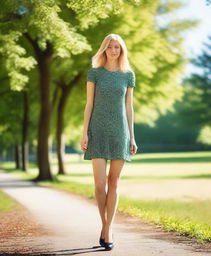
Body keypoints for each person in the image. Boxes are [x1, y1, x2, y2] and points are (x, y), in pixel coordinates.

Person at [80, 33, 138, 251]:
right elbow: (89, 105)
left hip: (120, 132)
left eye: (117, 47)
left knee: (114, 182)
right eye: (110, 47)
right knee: (99, 184)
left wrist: (132, 136)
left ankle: (108, 229)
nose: (114, 50)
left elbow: (129, 108)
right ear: (104, 49)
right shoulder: (94, 73)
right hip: (97, 130)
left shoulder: (128, 75)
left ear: (121, 50)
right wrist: (84, 132)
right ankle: (105, 226)